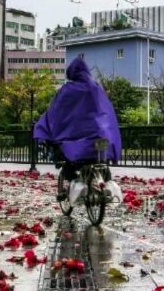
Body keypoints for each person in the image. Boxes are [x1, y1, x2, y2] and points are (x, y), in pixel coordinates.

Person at [33, 57, 122, 198]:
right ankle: (106, 182)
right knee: (101, 162)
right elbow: (107, 112)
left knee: (66, 159)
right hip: (101, 138)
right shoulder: (97, 88)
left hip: (76, 142)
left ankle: (75, 182)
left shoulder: (68, 89)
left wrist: (42, 125)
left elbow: (56, 112)